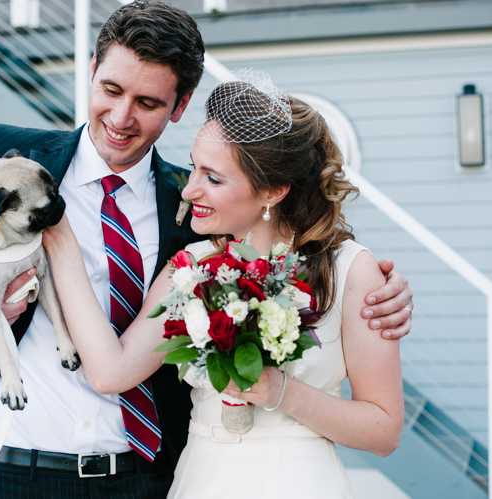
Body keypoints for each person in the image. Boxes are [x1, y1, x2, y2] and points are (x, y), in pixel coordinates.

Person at [0, 2, 412, 498]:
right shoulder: (6, 160)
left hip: (148, 479)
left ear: (180, 105)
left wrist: (374, 288)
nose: (122, 119)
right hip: (9, 468)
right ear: (92, 71)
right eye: (111, 90)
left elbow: (290, 257)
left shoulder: (197, 213)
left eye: (147, 102)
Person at [42, 74, 403, 498]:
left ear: (273, 191)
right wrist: (61, 241)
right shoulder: (190, 266)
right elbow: (110, 371)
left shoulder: (351, 271)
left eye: (212, 178)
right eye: (194, 166)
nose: (190, 188)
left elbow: (384, 430)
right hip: (202, 479)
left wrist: (280, 392)